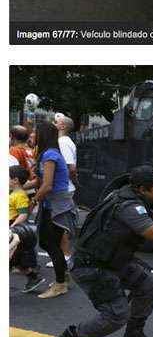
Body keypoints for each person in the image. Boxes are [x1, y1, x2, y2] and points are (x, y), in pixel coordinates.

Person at [42, 165, 153, 337]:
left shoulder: (128, 195)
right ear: (142, 189)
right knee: (116, 315)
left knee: (147, 285)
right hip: (92, 267)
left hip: (112, 260)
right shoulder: (128, 206)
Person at [31, 121, 78, 299]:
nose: (33, 135)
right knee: (48, 242)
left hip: (57, 206)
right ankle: (63, 277)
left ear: (42, 135)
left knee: (49, 243)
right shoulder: (48, 153)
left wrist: (33, 201)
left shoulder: (50, 155)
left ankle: (60, 284)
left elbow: (47, 185)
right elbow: (38, 181)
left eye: (35, 132)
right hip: (52, 204)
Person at [9, 167, 45, 293]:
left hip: (14, 229)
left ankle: (33, 277)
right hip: (13, 228)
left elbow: (23, 214)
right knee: (16, 260)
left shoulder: (19, 196)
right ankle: (33, 277)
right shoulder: (13, 193)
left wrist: (12, 227)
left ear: (15, 180)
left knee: (14, 258)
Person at [52, 115, 78, 271]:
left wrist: (72, 181)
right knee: (60, 222)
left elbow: (71, 167)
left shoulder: (62, 142)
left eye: (56, 122)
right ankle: (64, 255)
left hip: (63, 189)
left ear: (62, 126)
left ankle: (66, 255)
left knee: (61, 223)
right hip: (65, 187)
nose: (53, 124)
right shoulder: (66, 142)